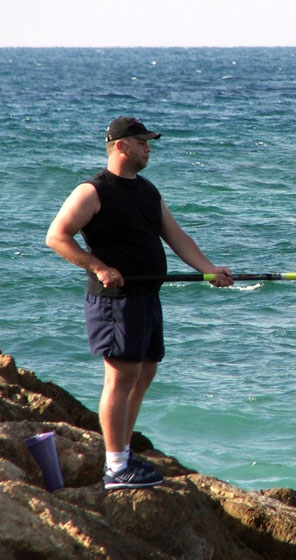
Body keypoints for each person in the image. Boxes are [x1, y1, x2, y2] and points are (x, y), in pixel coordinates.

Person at [46, 116, 234, 490]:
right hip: (115, 300)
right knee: (121, 375)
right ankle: (116, 467)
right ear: (121, 146)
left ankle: (124, 451)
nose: (149, 148)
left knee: (146, 371)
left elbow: (176, 236)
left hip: (147, 297)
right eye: (142, 142)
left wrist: (209, 269)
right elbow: (57, 236)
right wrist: (99, 267)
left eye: (149, 142)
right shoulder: (92, 191)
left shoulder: (147, 190)